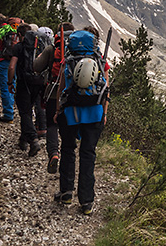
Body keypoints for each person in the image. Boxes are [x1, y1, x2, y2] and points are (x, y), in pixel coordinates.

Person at [54, 27, 109, 215]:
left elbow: (61, 88)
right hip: (94, 113)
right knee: (88, 155)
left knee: (68, 150)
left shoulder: (68, 60)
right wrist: (104, 114)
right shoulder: (100, 61)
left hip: (71, 112)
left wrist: (57, 111)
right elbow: (105, 92)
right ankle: (86, 202)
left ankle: (66, 192)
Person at [33, 22, 74, 174]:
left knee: (52, 125)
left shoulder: (52, 49)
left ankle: (54, 153)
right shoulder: (76, 50)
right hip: (71, 94)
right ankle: (68, 159)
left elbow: (36, 67)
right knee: (68, 128)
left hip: (52, 92)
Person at [7, 23, 42, 157]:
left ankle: (33, 140)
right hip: (38, 82)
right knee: (29, 108)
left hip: (24, 82)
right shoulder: (39, 46)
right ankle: (23, 140)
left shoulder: (18, 47)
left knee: (25, 112)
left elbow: (11, 67)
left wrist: (10, 83)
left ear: (20, 35)